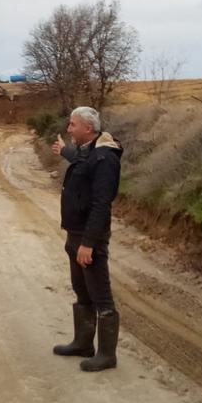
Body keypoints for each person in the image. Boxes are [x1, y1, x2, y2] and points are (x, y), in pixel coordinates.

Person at [50, 106, 123, 372]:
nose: (69, 129)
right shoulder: (89, 152)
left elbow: (102, 204)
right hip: (75, 233)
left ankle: (107, 355)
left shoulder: (105, 157)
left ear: (88, 129)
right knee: (82, 291)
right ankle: (83, 343)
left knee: (100, 295)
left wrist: (89, 243)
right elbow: (82, 164)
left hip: (89, 238)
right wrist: (66, 151)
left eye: (72, 125)